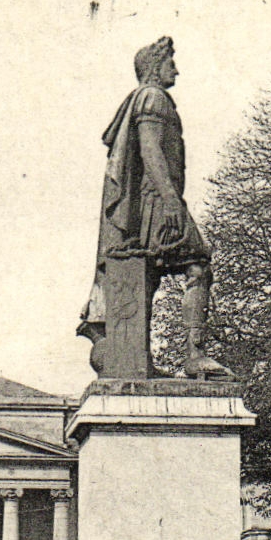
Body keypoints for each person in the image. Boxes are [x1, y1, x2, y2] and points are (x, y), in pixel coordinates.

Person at [78, 36, 234, 381]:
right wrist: (170, 201)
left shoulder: (146, 99)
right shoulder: (154, 98)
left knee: (146, 274)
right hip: (156, 200)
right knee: (197, 264)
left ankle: (139, 361)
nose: (175, 69)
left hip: (149, 201)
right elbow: (151, 152)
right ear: (154, 67)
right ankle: (195, 357)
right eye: (170, 63)